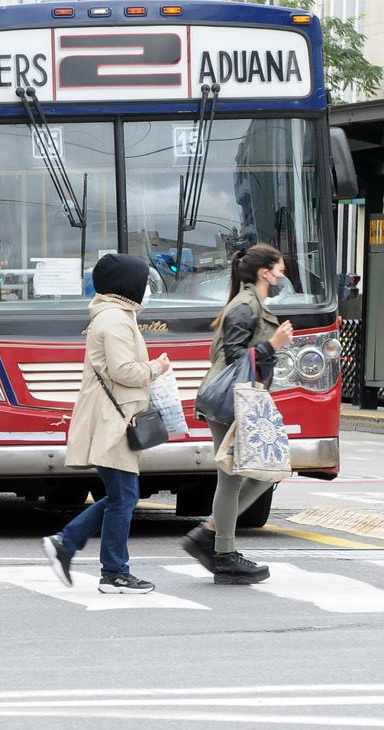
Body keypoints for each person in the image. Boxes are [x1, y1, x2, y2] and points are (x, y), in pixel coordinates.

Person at [42, 253, 171, 594]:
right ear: (127, 285)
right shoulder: (114, 320)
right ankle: (113, 571)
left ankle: (67, 543)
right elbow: (122, 371)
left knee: (121, 495)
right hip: (112, 420)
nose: (145, 289)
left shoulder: (116, 315)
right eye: (142, 282)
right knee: (123, 497)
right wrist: (156, 368)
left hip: (116, 416)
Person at [181, 244, 293, 585]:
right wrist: (273, 344)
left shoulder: (250, 303)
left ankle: (212, 537)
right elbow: (235, 356)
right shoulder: (244, 306)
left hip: (243, 399)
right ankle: (223, 552)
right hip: (233, 401)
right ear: (265, 273)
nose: (282, 276)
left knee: (265, 471)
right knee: (235, 476)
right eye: (280, 270)